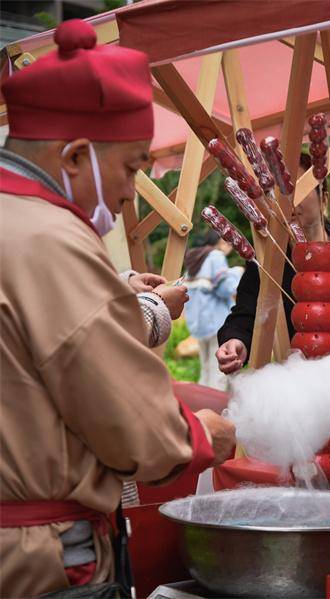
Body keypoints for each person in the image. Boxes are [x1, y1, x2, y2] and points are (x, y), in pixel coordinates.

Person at [0, 20, 235, 595]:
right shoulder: (50, 239)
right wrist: (200, 437)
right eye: (131, 167)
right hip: (40, 560)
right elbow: (132, 424)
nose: (131, 190)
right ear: (76, 156)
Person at [216, 153, 330, 374]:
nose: (289, 201)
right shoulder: (267, 258)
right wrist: (235, 340)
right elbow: (245, 315)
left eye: (299, 189)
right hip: (294, 376)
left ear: (324, 199)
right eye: (279, 193)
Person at [183, 231, 241, 390]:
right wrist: (236, 273)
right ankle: (216, 404)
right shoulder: (216, 257)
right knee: (218, 371)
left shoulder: (196, 259)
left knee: (206, 368)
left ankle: (203, 402)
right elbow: (226, 289)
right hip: (217, 322)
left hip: (198, 323)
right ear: (222, 241)